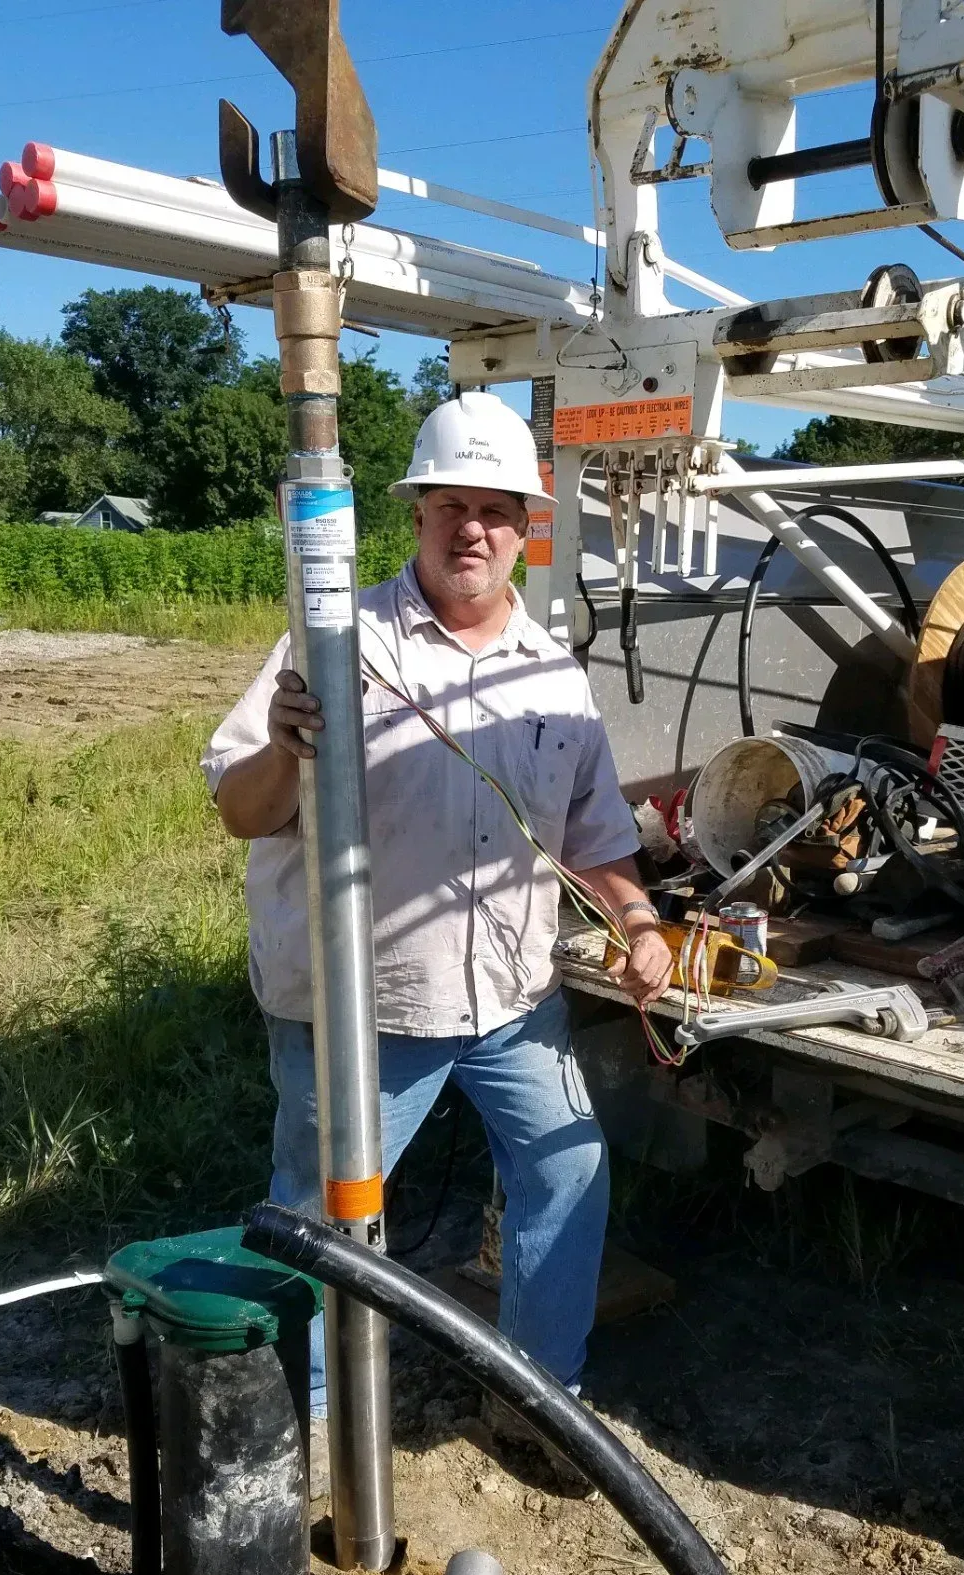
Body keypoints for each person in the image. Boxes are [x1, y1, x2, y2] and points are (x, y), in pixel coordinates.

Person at [201, 392, 674, 1471]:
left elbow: (593, 835)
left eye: (496, 510)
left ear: (524, 529)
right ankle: (303, 1421)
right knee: (321, 1221)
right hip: (362, 1006)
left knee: (566, 1169)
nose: (472, 528)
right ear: (414, 516)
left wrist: (638, 919)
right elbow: (240, 808)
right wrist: (284, 746)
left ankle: (540, 1397)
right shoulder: (335, 645)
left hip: (511, 1002)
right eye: (449, 504)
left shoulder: (553, 676)